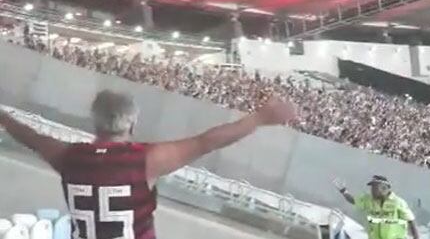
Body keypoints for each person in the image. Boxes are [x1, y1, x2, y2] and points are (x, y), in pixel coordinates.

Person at [0, 90, 297, 239]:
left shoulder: (67, 157)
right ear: (133, 122)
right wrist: (259, 118)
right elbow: (208, 141)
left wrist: (2, 116)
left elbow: (29, 136)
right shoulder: (145, 160)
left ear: (96, 121)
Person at [334, 176, 419, 239]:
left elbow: (411, 221)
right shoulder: (369, 200)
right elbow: (353, 201)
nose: (372, 190)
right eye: (372, 188)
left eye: (375, 188)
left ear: (384, 188)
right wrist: (344, 191)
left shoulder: (398, 202)